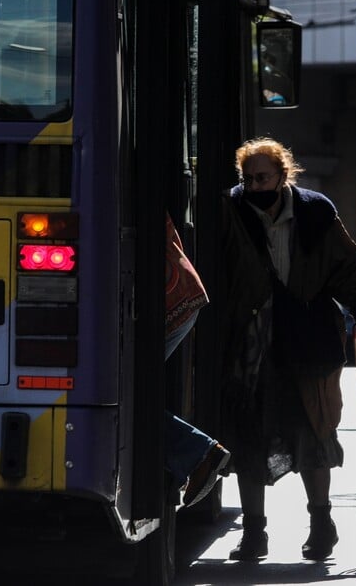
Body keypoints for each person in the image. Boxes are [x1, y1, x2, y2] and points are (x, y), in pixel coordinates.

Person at [217, 137, 356, 562]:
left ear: (283, 174)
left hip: (310, 341)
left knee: (315, 433)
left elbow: (346, 267)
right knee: (250, 436)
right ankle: (254, 533)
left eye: (263, 177)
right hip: (254, 346)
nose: (255, 186)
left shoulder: (315, 211)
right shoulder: (230, 210)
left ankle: (321, 524)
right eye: (248, 178)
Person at [164, 212, 230, 508]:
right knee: (126, 398)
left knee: (124, 401)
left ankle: (198, 451)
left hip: (171, 300)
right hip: (178, 296)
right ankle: (195, 452)